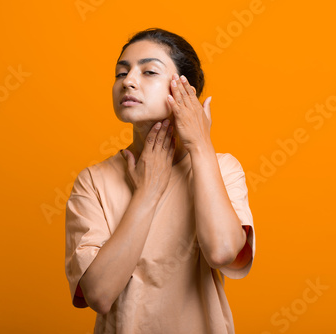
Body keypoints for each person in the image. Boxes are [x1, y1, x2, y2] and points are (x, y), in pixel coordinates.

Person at [64, 27, 255, 334]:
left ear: (185, 90)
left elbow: (221, 251)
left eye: (149, 71)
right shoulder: (93, 181)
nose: (128, 81)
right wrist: (148, 192)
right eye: (120, 73)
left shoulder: (223, 169)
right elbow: (99, 294)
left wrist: (200, 145)